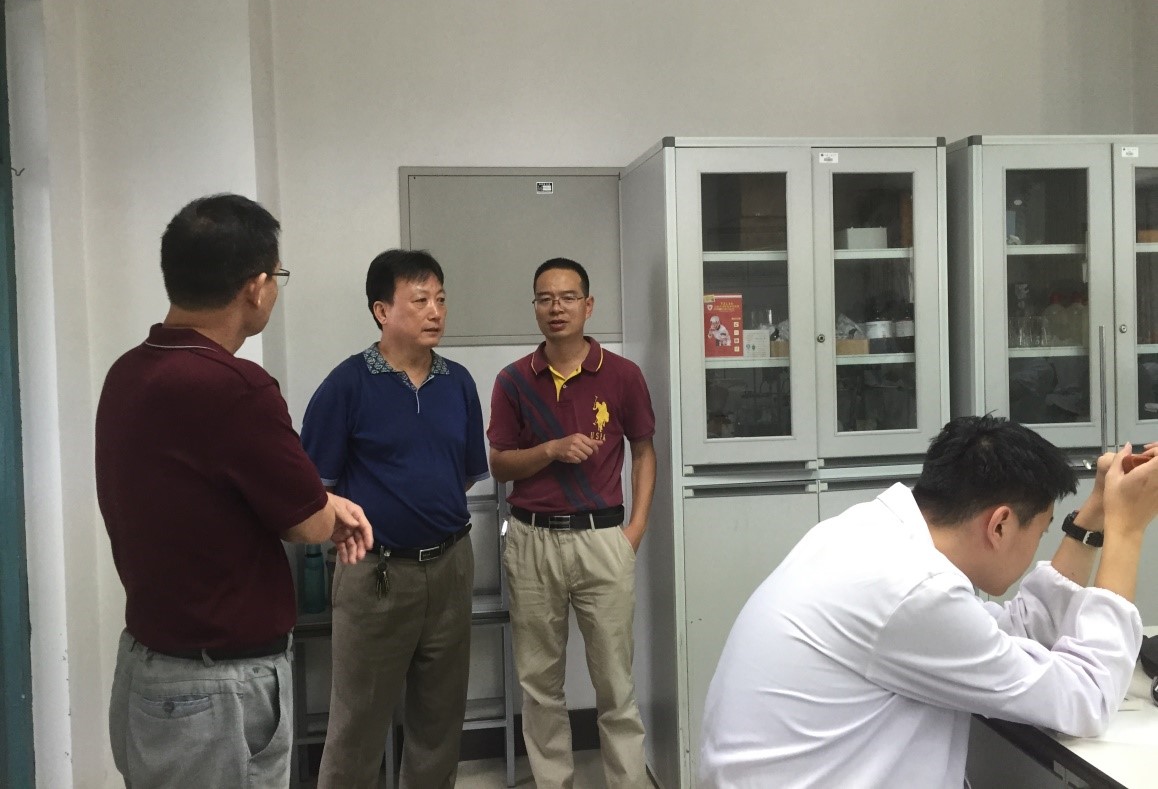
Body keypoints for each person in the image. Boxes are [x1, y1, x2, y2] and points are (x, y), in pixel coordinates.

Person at [699, 415, 1157, 789]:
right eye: (1041, 531)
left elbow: (1013, 632)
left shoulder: (870, 535)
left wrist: (1097, 513)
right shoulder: (912, 591)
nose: (1039, 542)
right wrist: (1128, 530)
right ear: (999, 525)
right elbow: (1087, 698)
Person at [96, 193, 373, 789]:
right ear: (256, 286)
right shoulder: (234, 387)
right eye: (277, 276)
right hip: (215, 690)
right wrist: (332, 510)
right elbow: (306, 522)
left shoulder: (129, 372)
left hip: (148, 666)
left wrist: (323, 504)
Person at [301, 249, 488, 789]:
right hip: (375, 573)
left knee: (440, 720)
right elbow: (315, 487)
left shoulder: (458, 382)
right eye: (421, 300)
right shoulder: (347, 385)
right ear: (382, 311)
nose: (436, 311)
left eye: (441, 299)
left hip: (450, 565)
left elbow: (464, 475)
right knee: (358, 724)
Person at [488, 257, 657, 789]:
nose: (555, 308)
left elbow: (644, 452)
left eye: (566, 297)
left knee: (615, 684)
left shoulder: (622, 375)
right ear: (535, 307)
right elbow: (499, 464)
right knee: (539, 685)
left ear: (588, 305)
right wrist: (551, 449)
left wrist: (634, 530)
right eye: (545, 298)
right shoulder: (513, 381)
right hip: (531, 541)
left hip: (602, 539)